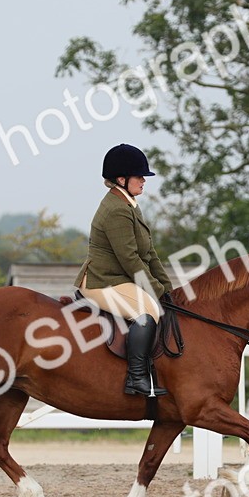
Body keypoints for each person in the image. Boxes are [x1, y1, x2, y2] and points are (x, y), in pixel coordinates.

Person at [74, 144, 174, 397]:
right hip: (102, 281)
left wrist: (168, 289)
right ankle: (136, 377)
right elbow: (130, 259)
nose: (143, 181)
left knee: (160, 303)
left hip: (119, 278)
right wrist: (156, 292)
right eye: (139, 176)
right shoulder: (117, 210)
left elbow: (149, 254)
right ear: (122, 179)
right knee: (146, 311)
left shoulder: (128, 205)